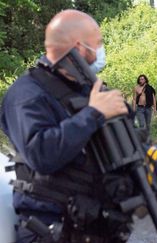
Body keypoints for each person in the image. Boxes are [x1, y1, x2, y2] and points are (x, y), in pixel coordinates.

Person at [0, 10, 132, 242]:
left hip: (95, 224)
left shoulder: (84, 89)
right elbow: (41, 154)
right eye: (98, 43)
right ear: (79, 48)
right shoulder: (26, 94)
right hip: (49, 229)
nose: (101, 49)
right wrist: (94, 114)